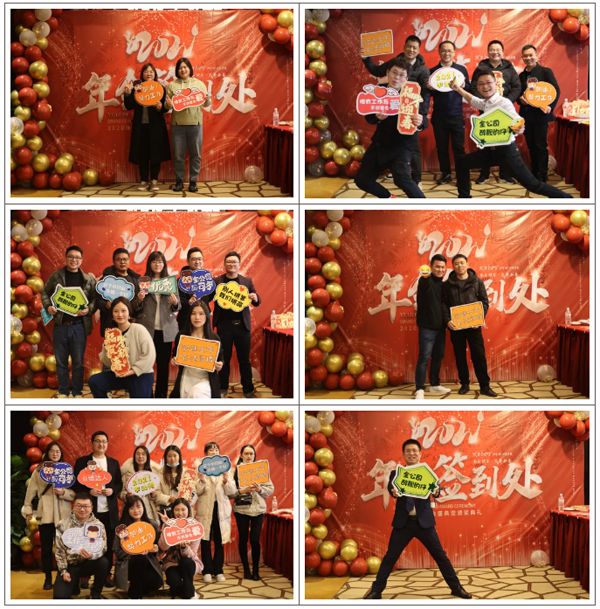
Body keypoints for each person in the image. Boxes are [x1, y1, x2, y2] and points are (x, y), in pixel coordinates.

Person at [364, 439, 471, 600]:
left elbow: (437, 491)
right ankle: (376, 591)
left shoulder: (427, 473)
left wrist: (435, 492)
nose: (411, 453)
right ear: (403, 454)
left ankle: (456, 587)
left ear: (420, 454)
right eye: (408, 451)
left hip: (424, 523)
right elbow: (392, 488)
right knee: (390, 557)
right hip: (403, 523)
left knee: (440, 556)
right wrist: (394, 491)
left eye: (414, 450)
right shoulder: (396, 473)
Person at [451, 70, 572, 198]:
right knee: (462, 162)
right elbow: (474, 100)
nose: (485, 86)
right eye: (481, 84)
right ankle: (464, 198)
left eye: (488, 82)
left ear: (496, 84)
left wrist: (519, 127)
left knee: (533, 185)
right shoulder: (486, 102)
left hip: (507, 152)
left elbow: (517, 119)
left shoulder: (503, 102)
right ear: (477, 87)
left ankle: (567, 199)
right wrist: (458, 89)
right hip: (491, 152)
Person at [361, 35, 430, 187]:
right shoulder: (395, 62)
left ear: (418, 50)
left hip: (410, 110)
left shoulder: (423, 69)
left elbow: (425, 92)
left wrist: (422, 114)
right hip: (391, 109)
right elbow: (377, 70)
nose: (411, 50)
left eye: (414, 48)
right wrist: (366, 58)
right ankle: (396, 170)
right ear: (404, 47)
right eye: (409, 46)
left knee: (413, 146)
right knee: (391, 141)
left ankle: (416, 179)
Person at [41, 246, 96, 399]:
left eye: (77, 257)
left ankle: (77, 392)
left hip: (79, 327)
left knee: (78, 363)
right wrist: (48, 306)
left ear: (81, 260)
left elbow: (95, 299)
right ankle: (64, 392)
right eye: (71, 256)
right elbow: (45, 292)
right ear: (65, 258)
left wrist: (88, 310)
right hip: (60, 326)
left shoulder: (88, 279)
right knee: (61, 363)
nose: (74, 260)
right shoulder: (56, 276)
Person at [72, 431, 123, 590]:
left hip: (109, 511)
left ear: (107, 444)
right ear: (92, 443)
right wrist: (88, 492)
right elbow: (75, 484)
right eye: (98, 441)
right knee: (87, 541)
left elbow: (119, 484)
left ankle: (106, 574)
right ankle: (85, 575)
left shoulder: (113, 463)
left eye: (104, 441)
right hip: (89, 512)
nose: (101, 444)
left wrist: (112, 491)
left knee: (108, 543)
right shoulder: (82, 462)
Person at [441, 254, 497, 398]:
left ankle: (485, 386)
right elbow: (444, 304)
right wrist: (447, 320)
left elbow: (484, 302)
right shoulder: (447, 285)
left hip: (474, 327)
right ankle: (464, 384)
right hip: (456, 327)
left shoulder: (477, 282)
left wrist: (479, 319)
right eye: (456, 264)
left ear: (467, 264)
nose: (459, 266)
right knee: (460, 356)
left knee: (479, 356)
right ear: (453, 267)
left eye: (462, 263)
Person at [23, 442, 75, 590]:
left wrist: (64, 492)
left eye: (57, 451)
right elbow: (30, 492)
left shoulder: (66, 470)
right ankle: (47, 577)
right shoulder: (39, 470)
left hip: (63, 515)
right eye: (52, 451)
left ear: (61, 453)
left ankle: (62, 575)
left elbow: (74, 494)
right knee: (46, 549)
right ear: (47, 453)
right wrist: (28, 511)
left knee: (64, 548)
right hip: (45, 514)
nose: (55, 454)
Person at [471, 40, 521, 184]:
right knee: (486, 142)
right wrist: (486, 101)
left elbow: (517, 87)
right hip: (486, 110)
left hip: (504, 112)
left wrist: (504, 102)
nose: (495, 52)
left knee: (504, 142)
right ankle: (484, 173)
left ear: (502, 52)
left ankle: (505, 174)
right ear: (488, 52)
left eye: (498, 49)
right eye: (492, 50)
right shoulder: (481, 68)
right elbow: (474, 87)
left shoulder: (509, 67)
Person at [212, 251, 261, 398]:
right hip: (224, 326)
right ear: (224, 264)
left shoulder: (247, 281)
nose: (232, 264)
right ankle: (222, 388)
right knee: (224, 359)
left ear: (239, 264)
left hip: (242, 327)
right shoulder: (217, 281)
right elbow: (207, 297)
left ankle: (248, 390)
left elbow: (257, 301)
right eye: (229, 262)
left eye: (234, 262)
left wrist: (255, 297)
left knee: (244, 360)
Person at [88, 297, 157, 399]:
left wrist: (132, 371)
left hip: (140, 374)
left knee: (139, 407)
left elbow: (149, 356)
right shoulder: (113, 333)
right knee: (94, 381)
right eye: (116, 311)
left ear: (129, 312)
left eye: (123, 311)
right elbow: (108, 362)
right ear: (112, 314)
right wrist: (107, 346)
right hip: (121, 375)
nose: (120, 315)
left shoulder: (139, 329)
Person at [136, 251, 180, 398]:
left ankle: (161, 395)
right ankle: (147, 394)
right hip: (147, 329)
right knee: (146, 364)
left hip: (166, 330)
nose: (157, 264)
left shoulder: (170, 282)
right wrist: (139, 300)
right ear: (149, 264)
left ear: (164, 264)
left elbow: (178, 306)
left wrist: (175, 303)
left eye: (160, 261)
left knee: (163, 365)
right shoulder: (143, 281)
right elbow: (135, 307)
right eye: (154, 261)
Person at [165, 57, 212, 193]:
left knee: (195, 154)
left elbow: (206, 103)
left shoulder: (199, 84)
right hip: (177, 125)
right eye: (180, 68)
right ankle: (179, 181)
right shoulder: (172, 85)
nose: (183, 70)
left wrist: (207, 100)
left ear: (190, 68)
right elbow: (167, 106)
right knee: (178, 155)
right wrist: (168, 104)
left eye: (185, 67)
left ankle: (193, 181)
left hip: (195, 125)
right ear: (177, 71)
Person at [123, 62, 171, 191]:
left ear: (155, 74)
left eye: (151, 71)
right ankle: (143, 180)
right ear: (142, 74)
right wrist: (127, 94)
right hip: (141, 127)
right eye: (146, 71)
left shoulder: (159, 88)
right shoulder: (138, 88)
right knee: (142, 155)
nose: (148, 73)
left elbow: (165, 108)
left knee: (156, 154)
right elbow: (129, 106)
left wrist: (161, 107)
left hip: (156, 127)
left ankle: (154, 181)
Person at [426, 41, 469, 186]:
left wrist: (464, 86)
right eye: (444, 51)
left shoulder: (461, 70)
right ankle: (446, 174)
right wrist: (430, 88)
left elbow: (469, 87)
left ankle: (462, 177)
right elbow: (428, 94)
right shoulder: (433, 71)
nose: (447, 53)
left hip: (457, 115)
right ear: (439, 52)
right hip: (439, 116)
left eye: (449, 51)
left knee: (459, 148)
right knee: (442, 148)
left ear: (454, 52)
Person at [53, 492, 110, 600]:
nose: (82, 509)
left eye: (86, 506)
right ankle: (74, 585)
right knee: (60, 597)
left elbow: (103, 547)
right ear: (74, 506)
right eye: (79, 506)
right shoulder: (63, 524)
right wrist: (64, 571)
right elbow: (59, 551)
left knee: (103, 562)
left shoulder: (98, 525)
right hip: (70, 565)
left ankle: (95, 593)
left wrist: (92, 555)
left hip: (89, 563)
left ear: (91, 508)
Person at [517, 45, 561, 183]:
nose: (528, 58)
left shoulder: (545, 71)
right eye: (525, 56)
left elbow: (556, 91)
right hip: (526, 115)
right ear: (522, 57)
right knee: (530, 145)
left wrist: (550, 107)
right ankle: (534, 172)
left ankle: (542, 175)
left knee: (540, 146)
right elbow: (518, 94)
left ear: (536, 55)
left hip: (541, 115)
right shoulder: (521, 75)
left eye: (531, 55)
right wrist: (520, 100)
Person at [195, 441, 236, 583]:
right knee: (205, 539)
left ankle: (218, 570)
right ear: (206, 453)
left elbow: (232, 491)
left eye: (216, 449)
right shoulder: (200, 468)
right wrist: (201, 481)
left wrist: (226, 480)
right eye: (211, 450)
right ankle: (207, 570)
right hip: (205, 508)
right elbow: (196, 491)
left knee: (220, 539)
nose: (214, 452)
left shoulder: (226, 468)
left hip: (221, 509)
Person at [232, 444, 274, 581]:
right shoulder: (235, 471)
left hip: (258, 510)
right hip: (241, 510)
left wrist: (260, 489)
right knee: (243, 539)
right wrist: (242, 491)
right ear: (241, 455)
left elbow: (270, 489)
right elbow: (230, 492)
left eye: (251, 453)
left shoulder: (260, 470)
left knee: (255, 540)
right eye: (246, 453)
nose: (249, 456)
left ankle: (256, 570)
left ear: (254, 455)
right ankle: (246, 569)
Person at [170, 300, 224, 398]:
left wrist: (220, 364)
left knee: (196, 393)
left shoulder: (213, 337)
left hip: (206, 378)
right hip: (187, 377)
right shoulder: (182, 336)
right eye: (193, 313)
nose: (197, 317)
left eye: (201, 314)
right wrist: (174, 360)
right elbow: (175, 355)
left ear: (207, 316)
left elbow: (221, 358)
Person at [415, 254, 451, 400]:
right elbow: (424, 278)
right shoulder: (426, 281)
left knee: (438, 357)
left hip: (441, 328)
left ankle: (434, 385)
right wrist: (425, 274)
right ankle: (420, 389)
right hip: (427, 328)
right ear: (431, 267)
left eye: (442, 267)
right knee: (424, 357)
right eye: (437, 267)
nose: (440, 269)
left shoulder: (443, 285)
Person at [113, 495, 163, 598]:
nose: (136, 510)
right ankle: (135, 593)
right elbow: (117, 551)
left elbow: (160, 545)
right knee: (139, 559)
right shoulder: (122, 528)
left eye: (138, 506)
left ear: (143, 507)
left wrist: (156, 549)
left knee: (155, 582)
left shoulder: (152, 524)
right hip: (129, 562)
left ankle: (138, 587)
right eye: (131, 508)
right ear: (127, 510)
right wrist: (133, 552)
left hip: (148, 561)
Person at [158, 498, 202, 599]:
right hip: (171, 562)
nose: (180, 513)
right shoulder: (168, 525)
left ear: (188, 510)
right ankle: (183, 587)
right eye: (177, 510)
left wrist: (185, 548)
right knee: (174, 584)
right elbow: (163, 547)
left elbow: (193, 554)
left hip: (189, 562)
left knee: (186, 562)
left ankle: (190, 593)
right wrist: (168, 526)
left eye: (183, 509)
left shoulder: (194, 527)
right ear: (172, 511)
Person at [94, 248, 142, 340]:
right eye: (119, 259)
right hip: (111, 325)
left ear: (129, 260)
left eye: (125, 259)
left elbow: (136, 305)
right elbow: (98, 301)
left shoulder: (135, 280)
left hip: (129, 325)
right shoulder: (106, 280)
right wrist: (106, 306)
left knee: (130, 349)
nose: (122, 262)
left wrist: (139, 301)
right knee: (113, 348)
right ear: (113, 261)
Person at [119, 446, 161, 528]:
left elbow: (159, 493)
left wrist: (153, 495)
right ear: (134, 456)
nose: (140, 456)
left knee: (148, 530)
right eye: (138, 454)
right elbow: (120, 492)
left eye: (143, 454)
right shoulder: (127, 473)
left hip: (149, 508)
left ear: (147, 456)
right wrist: (126, 495)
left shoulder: (154, 473)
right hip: (133, 509)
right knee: (133, 531)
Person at [176, 247, 212, 330]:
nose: (197, 262)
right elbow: (178, 304)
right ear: (188, 261)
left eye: (199, 259)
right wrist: (189, 302)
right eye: (194, 259)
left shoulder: (207, 279)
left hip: (204, 321)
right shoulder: (180, 281)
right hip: (186, 321)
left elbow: (210, 297)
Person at [156, 445, 196, 513]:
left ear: (179, 457)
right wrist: (169, 498)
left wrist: (189, 500)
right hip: (167, 510)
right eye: (169, 456)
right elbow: (157, 493)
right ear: (165, 458)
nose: (172, 458)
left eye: (175, 455)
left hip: (183, 511)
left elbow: (193, 492)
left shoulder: (187, 473)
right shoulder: (160, 473)